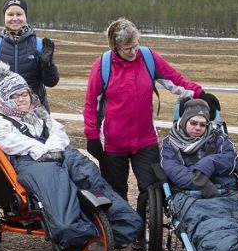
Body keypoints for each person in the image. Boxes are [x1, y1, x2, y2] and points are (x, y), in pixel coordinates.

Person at [0, 62, 142, 251]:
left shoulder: (39, 112)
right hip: (28, 160)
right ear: (5, 99)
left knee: (85, 169)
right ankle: (71, 231)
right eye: (15, 96)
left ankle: (124, 224)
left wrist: (53, 147)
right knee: (55, 181)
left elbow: (57, 131)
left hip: (56, 152)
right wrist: (42, 149)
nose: (22, 99)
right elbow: (9, 141)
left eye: (24, 94)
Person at [82, 17, 219, 208]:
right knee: (115, 192)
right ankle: (121, 233)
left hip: (145, 139)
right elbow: (90, 104)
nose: (133, 51)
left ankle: (145, 233)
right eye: (127, 48)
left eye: (135, 45)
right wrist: (92, 137)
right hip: (112, 143)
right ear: (116, 47)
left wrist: (200, 93)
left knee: (152, 190)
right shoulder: (103, 66)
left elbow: (175, 80)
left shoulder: (148, 57)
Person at [160, 98, 238, 251]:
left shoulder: (220, 139)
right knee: (202, 223)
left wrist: (209, 163)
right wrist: (200, 181)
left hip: (223, 193)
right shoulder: (169, 144)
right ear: (184, 121)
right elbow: (174, 172)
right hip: (188, 196)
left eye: (202, 124)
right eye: (193, 123)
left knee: (228, 223)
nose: (198, 128)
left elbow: (230, 160)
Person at [0, 0, 59, 108]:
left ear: (25, 16)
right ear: (4, 16)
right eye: (10, 14)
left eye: (19, 14)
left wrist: (47, 65)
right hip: (5, 111)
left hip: (36, 110)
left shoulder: (39, 45)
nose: (15, 18)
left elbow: (51, 82)